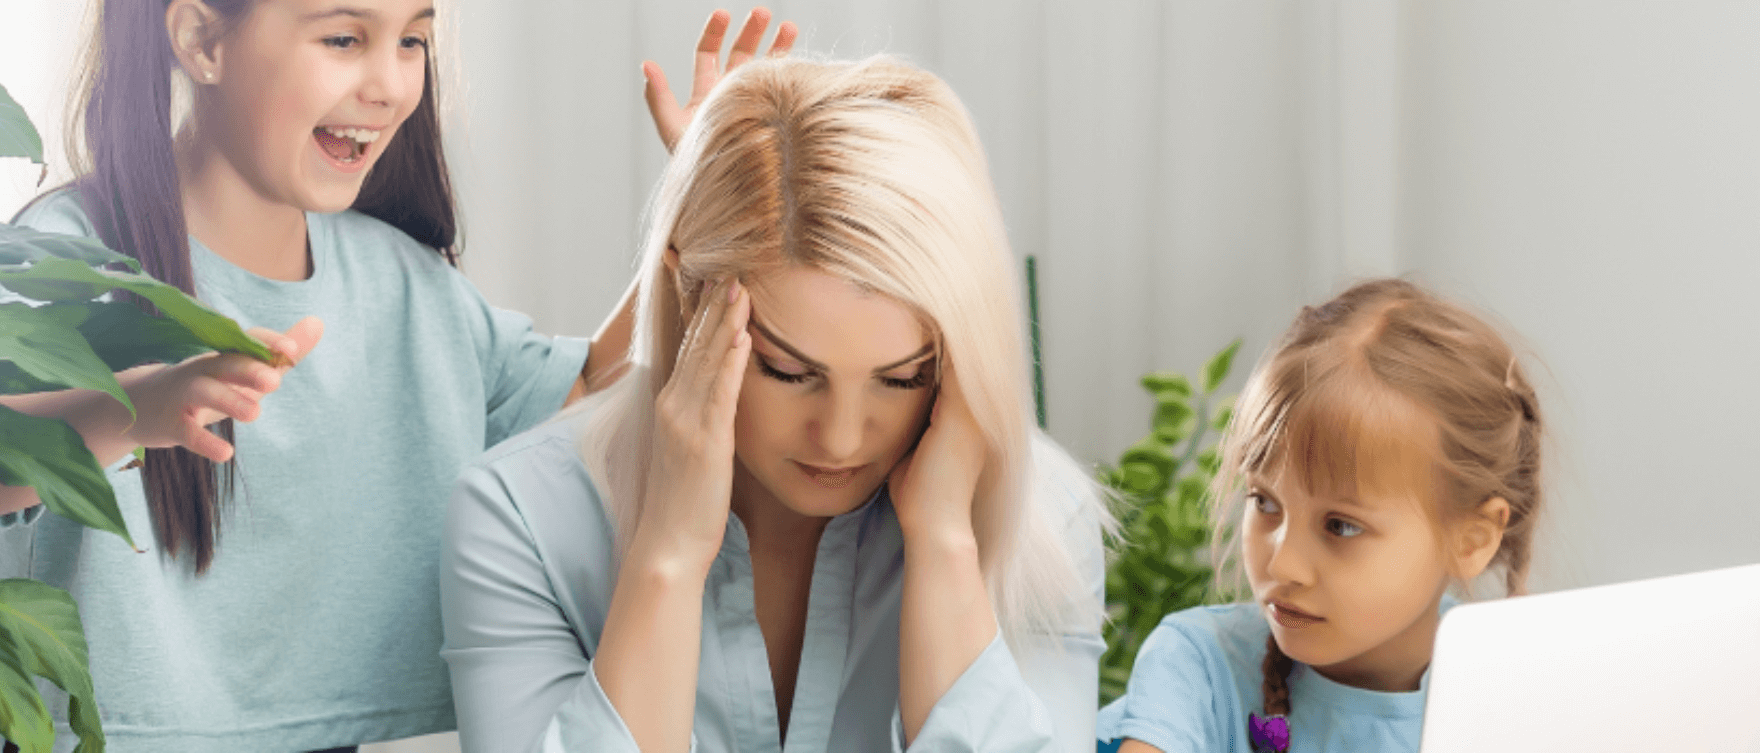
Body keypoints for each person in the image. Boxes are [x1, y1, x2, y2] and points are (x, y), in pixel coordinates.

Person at [0, 2, 790, 750]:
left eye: (412, 39)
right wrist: (133, 408)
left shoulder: (400, 280)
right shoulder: (67, 254)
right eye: (344, 38)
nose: (389, 84)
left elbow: (576, 391)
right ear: (203, 41)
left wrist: (702, 190)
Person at [440, 55, 1111, 753]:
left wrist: (945, 543)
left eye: (903, 377)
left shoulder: (1042, 518)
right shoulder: (521, 520)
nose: (844, 439)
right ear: (684, 293)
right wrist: (667, 553)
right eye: (789, 371)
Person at [1096, 278, 1546, 753]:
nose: (1283, 564)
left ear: (1471, 540)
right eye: (1264, 502)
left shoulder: (1516, 695)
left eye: (1341, 526)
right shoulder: (1198, 667)